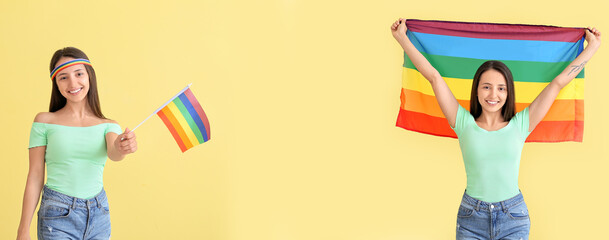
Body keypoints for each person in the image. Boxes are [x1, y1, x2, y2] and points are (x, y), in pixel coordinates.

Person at [391, 19, 601, 239]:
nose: (493, 95)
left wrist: (592, 47)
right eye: (487, 87)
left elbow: (558, 83)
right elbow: (434, 77)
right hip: (471, 219)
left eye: (501, 88)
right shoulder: (462, 123)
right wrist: (402, 38)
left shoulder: (521, 125)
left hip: (513, 218)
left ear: (508, 92)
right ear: (477, 90)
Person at [16, 47, 138, 240]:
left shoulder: (108, 126)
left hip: (99, 215)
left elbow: (114, 152)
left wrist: (123, 147)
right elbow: (35, 175)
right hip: (57, 215)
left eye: (79, 74)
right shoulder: (44, 121)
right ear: (56, 83)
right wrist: (23, 230)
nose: (72, 83)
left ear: (89, 76)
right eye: (63, 77)